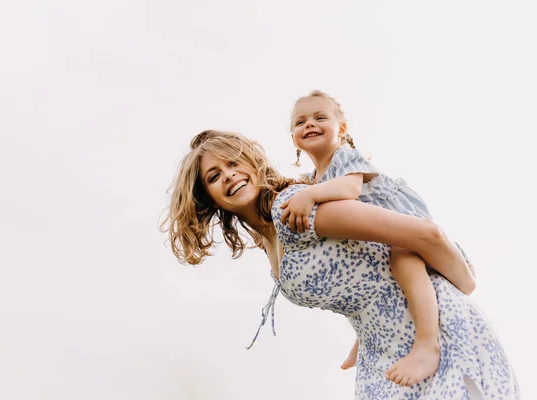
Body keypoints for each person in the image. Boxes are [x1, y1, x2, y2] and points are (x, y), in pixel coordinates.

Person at [162, 130, 519, 398]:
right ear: (208, 198)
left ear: (252, 164)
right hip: (384, 358)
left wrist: (465, 282)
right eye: (214, 176)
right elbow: (362, 276)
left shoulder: (291, 209)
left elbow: (425, 234)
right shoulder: (268, 236)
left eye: (233, 163)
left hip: (434, 339)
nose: (228, 175)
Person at [281, 89, 475, 385]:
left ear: (342, 129)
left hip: (403, 228)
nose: (309, 124)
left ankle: (426, 345)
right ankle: (366, 335)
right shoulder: (311, 180)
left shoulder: (344, 158)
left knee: (402, 258)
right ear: (293, 135)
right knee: (362, 275)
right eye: (300, 121)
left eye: (320, 117)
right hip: (376, 239)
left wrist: (308, 195)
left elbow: (349, 191)